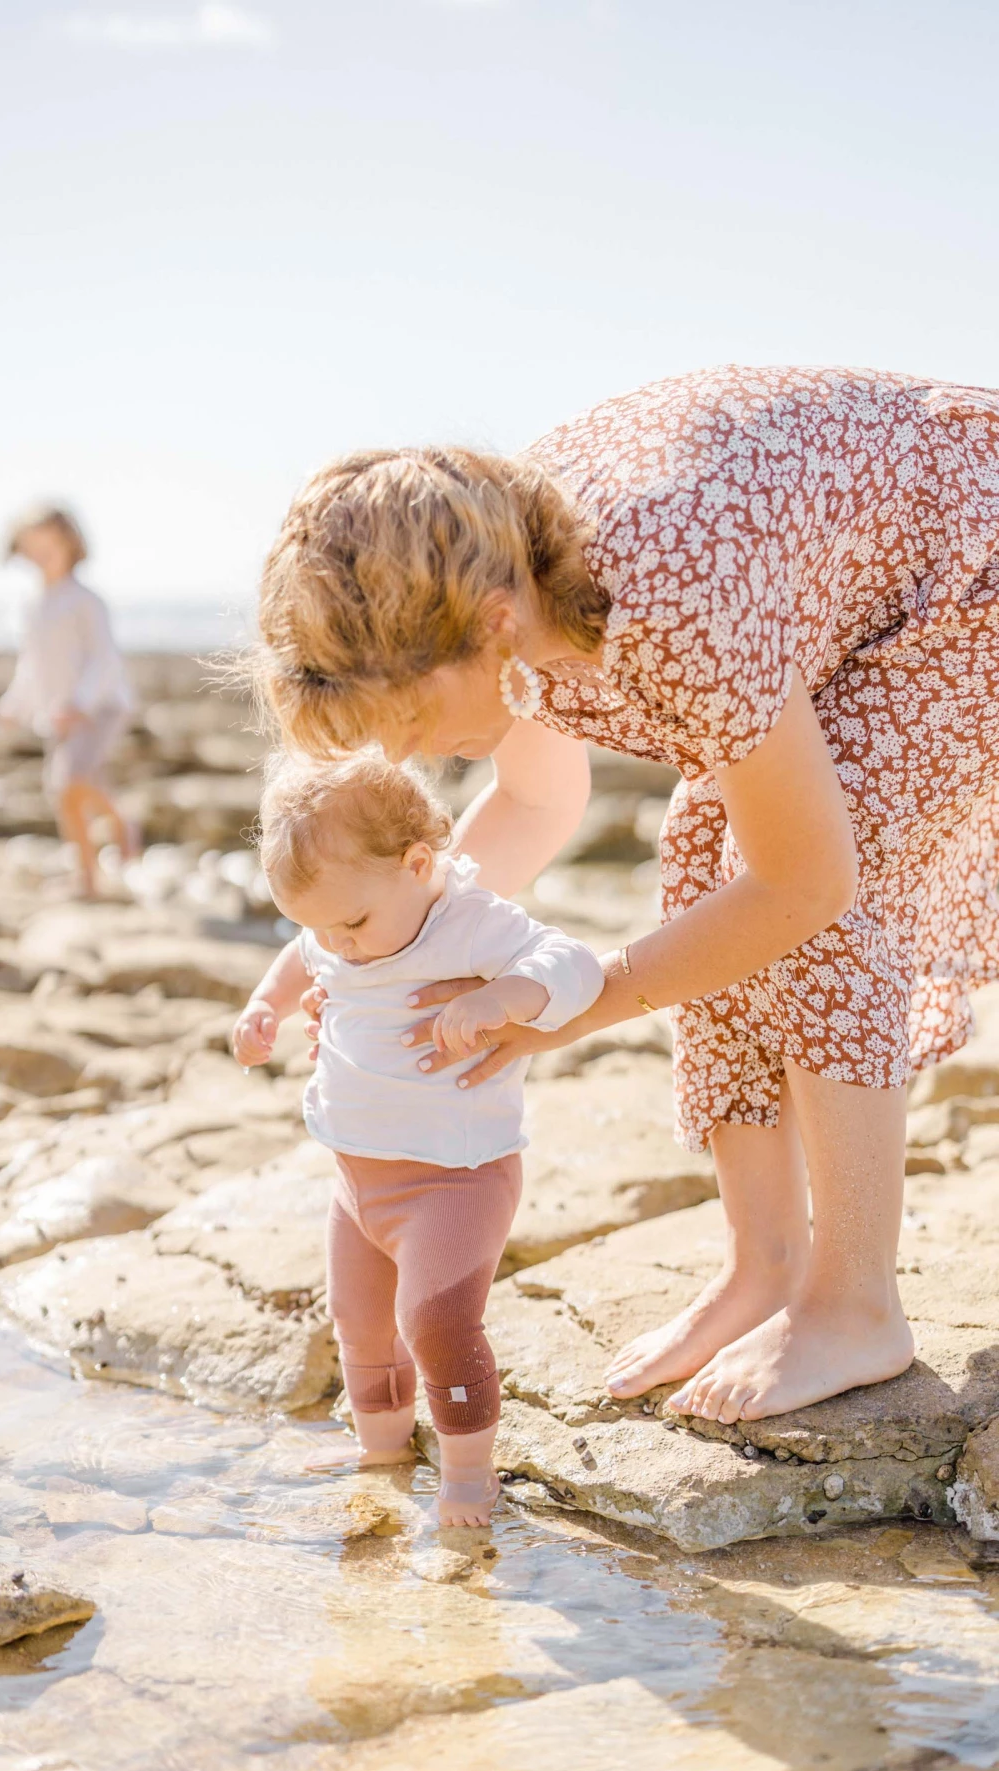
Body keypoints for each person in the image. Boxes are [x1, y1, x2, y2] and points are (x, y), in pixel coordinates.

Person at [252, 366, 999, 1427]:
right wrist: (359, 947)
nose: (406, 757)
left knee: (835, 890)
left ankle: (857, 1305)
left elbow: (810, 880)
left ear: (494, 627)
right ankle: (767, 1263)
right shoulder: (501, 574)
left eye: (408, 721)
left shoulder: (664, 587)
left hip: (968, 574)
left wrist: (578, 1008)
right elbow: (533, 799)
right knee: (703, 849)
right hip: (831, 571)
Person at [231, 753, 603, 1526]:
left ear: (418, 865)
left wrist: (509, 993)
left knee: (436, 1324)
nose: (340, 944)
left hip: (455, 1179)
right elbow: (298, 959)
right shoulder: (337, 932)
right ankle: (381, 1449)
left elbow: (569, 963)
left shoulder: (469, 923)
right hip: (355, 1181)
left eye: (353, 923)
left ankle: (469, 1473)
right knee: (360, 1324)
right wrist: (268, 1005)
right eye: (319, 926)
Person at [0, 503, 136, 896]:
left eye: (48, 550)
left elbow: (104, 659)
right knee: (69, 793)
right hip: (60, 714)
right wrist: (14, 705)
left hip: (101, 708)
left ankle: (121, 826)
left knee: (68, 782)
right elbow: (31, 667)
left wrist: (80, 701)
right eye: (32, 552)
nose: (39, 559)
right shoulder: (34, 606)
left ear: (71, 546)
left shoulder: (86, 601)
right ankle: (89, 876)